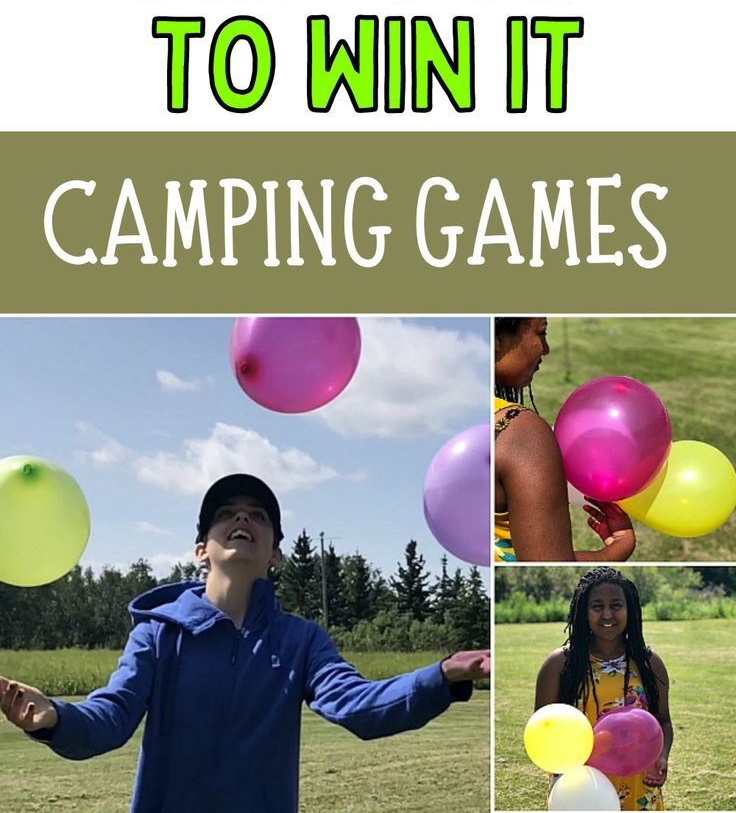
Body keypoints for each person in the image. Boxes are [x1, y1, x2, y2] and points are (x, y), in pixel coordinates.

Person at [0, 474, 490, 812]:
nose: (243, 519)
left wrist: (441, 675)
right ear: (201, 549)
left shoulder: (301, 641)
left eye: (258, 515)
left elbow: (358, 706)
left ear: (275, 553)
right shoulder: (158, 634)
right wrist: (57, 718)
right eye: (226, 514)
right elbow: (111, 716)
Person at [495, 317, 636, 564]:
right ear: (496, 340)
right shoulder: (518, 431)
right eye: (541, 333)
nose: (546, 349)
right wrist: (614, 551)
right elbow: (545, 563)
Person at [534, 567, 672, 811]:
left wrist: (661, 757)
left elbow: (664, 722)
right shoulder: (559, 665)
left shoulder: (649, 663)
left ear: (629, 610)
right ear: (583, 612)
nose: (607, 614)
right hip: (581, 786)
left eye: (616, 605)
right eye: (597, 606)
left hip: (638, 783)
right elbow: (543, 731)